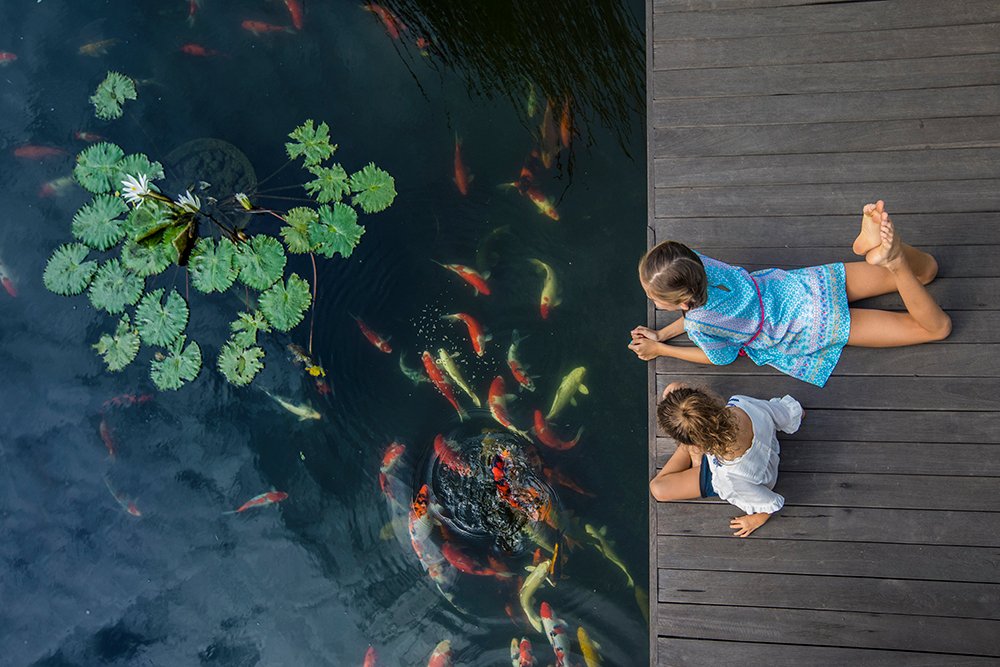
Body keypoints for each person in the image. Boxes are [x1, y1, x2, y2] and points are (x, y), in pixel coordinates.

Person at [629, 201, 952, 387]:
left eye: (657, 299)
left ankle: (894, 261)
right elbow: (696, 309)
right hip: (805, 286)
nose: (655, 303)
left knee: (934, 329)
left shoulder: (699, 323)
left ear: (684, 302)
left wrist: (662, 349)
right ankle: (875, 249)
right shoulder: (696, 262)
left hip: (812, 325)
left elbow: (718, 356)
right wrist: (662, 333)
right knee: (928, 270)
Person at [649, 382, 802, 537]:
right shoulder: (740, 403)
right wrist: (796, 413)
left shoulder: (729, 479)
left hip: (733, 470)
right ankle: (693, 431)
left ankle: (693, 441)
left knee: (658, 489)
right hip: (747, 454)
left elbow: (769, 502)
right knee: (674, 389)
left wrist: (759, 517)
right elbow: (791, 413)